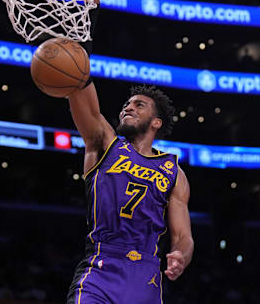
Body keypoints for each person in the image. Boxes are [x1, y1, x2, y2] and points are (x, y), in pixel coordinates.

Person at [64, 78, 194, 303]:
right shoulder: (105, 144)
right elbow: (83, 100)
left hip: (145, 277)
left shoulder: (174, 173)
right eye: (127, 104)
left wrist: (181, 255)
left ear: (156, 122)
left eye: (139, 105)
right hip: (101, 265)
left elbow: (183, 236)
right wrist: (81, 69)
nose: (128, 107)